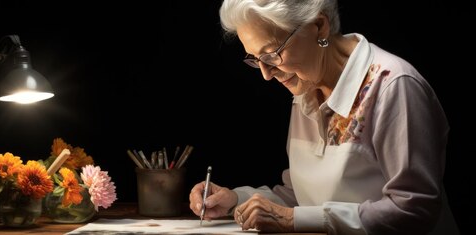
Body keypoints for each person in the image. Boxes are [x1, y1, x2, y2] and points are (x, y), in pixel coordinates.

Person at [188, 0, 460, 234]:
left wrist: (291, 220)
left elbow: (415, 209)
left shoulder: (393, 86)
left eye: (272, 54)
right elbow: (302, 198)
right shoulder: (307, 86)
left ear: (320, 26)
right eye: (255, 58)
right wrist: (236, 201)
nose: (266, 74)